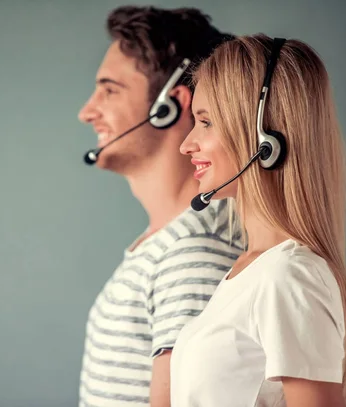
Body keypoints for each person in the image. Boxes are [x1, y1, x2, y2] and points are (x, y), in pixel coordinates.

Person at [172, 34, 346, 407]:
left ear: (265, 139)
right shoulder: (250, 270)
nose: (187, 143)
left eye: (205, 121)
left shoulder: (288, 275)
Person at [77, 5, 243, 407]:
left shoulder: (192, 253)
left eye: (110, 90)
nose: (86, 112)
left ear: (171, 103)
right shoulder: (170, 244)